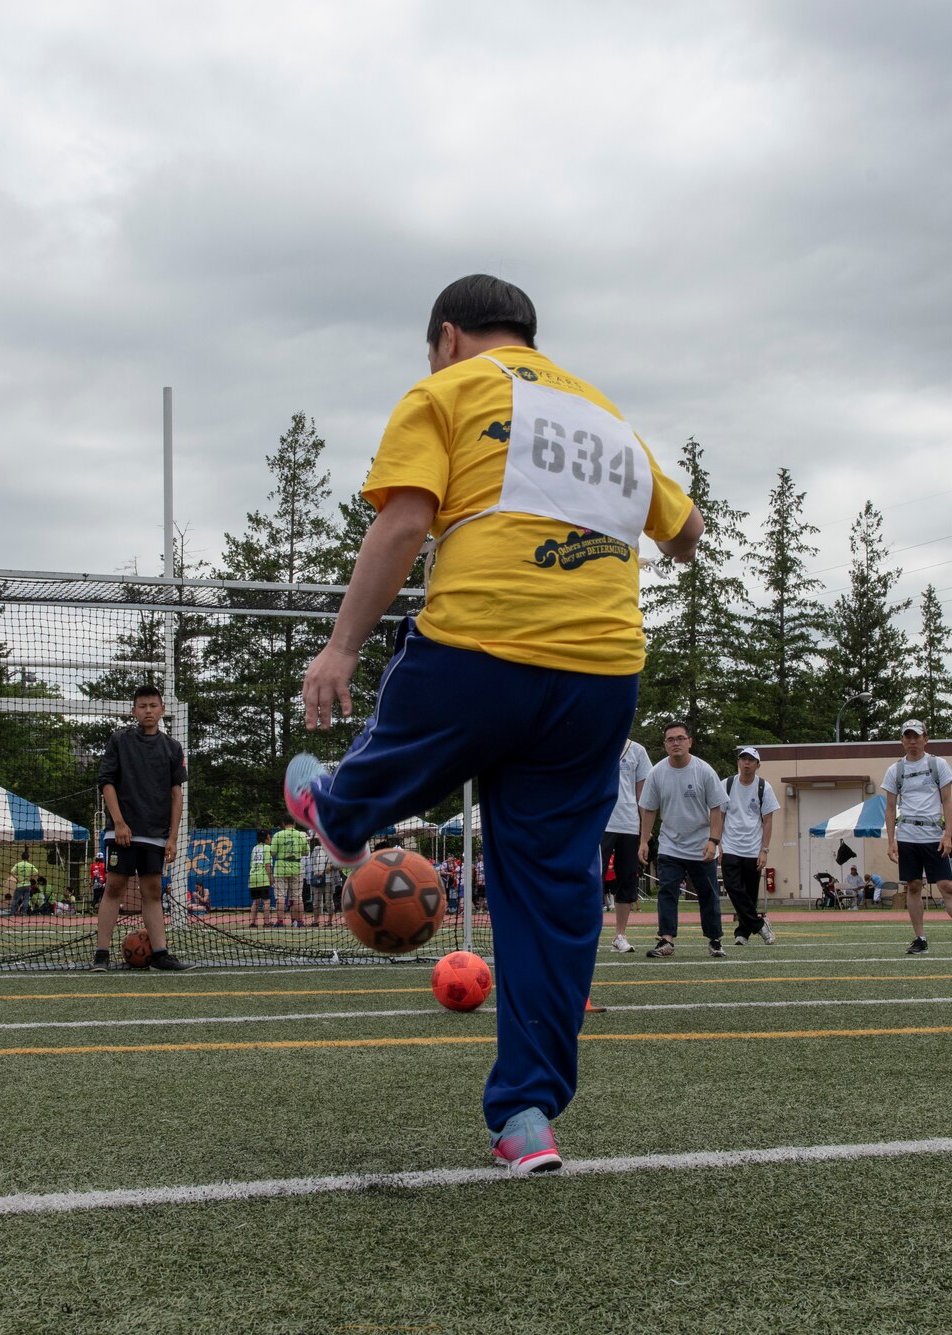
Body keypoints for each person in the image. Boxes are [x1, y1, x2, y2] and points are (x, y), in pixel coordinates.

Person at [284, 274, 702, 1174]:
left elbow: (403, 523)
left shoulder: (446, 391)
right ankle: (526, 1116)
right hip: (600, 674)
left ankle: (341, 810)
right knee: (553, 898)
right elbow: (689, 532)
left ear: (447, 335)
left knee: (406, 740)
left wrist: (340, 649)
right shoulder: (607, 415)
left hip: (482, 645)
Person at [93, 683, 191, 971]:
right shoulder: (120, 741)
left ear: (162, 709)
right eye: (142, 706)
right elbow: (106, 783)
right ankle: (101, 954)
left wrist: (172, 837)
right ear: (133, 710)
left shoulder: (172, 748)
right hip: (122, 831)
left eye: (153, 705)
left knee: (152, 890)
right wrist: (120, 823)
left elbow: (176, 794)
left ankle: (160, 954)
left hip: (156, 834)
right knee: (115, 886)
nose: (148, 710)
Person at [881, 720, 952, 956]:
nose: (912, 741)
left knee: (947, 885)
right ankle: (920, 938)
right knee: (913, 886)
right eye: (907, 737)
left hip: (933, 834)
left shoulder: (938, 764)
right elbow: (890, 806)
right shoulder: (895, 770)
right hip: (907, 835)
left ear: (926, 738)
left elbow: (948, 801)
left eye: (916, 736)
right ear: (901, 740)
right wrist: (890, 840)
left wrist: (949, 835)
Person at [636, 722, 727, 959]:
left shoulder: (704, 770)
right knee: (667, 891)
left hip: (701, 846)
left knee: (708, 895)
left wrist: (713, 841)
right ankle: (666, 940)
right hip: (670, 845)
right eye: (670, 740)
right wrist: (644, 841)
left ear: (689, 741)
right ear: (665, 745)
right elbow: (648, 810)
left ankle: (715, 940)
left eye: (680, 738)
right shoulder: (656, 773)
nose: (675, 743)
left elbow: (717, 808)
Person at [719, 746, 781, 947]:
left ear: (757, 765)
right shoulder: (726, 784)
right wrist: (717, 842)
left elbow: (768, 821)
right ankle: (759, 924)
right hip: (730, 846)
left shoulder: (764, 787)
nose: (746, 763)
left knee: (750, 892)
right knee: (732, 887)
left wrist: (764, 850)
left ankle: (743, 932)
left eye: (751, 760)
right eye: (743, 759)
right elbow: (718, 815)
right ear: (738, 762)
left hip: (753, 847)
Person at [602, 736, 650, 954]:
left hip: (629, 824)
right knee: (593, 880)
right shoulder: (596, 741)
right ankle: (587, 935)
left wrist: (644, 835)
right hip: (600, 823)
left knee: (627, 881)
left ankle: (620, 935)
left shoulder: (637, 750)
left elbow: (643, 795)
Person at [269, 816, 309, 927]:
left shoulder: (278, 835)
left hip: (281, 867)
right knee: (297, 897)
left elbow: (272, 853)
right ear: (294, 823)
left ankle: (280, 922)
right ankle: (299, 922)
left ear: (283, 823)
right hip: (296, 867)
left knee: (280, 896)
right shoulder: (301, 835)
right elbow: (306, 852)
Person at [246, 830, 273, 927]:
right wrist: (271, 878)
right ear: (265, 838)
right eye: (270, 837)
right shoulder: (267, 848)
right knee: (266, 901)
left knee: (256, 901)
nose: (271, 839)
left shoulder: (254, 848)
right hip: (262, 878)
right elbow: (267, 865)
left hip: (253, 877)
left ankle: (252, 922)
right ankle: (266, 922)